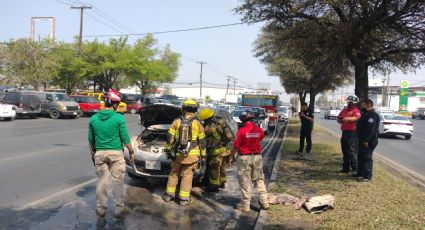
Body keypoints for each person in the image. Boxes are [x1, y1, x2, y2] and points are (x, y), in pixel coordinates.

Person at [88, 89, 135, 218]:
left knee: (102, 181)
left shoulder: (93, 118)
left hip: (100, 153)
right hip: (115, 153)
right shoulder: (118, 118)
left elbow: (91, 139)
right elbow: (125, 137)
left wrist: (93, 152)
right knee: (118, 181)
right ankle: (119, 209)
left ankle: (101, 209)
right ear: (114, 104)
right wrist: (131, 151)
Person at [162, 99, 206, 206]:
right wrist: (203, 155)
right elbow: (202, 141)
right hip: (192, 156)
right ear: (195, 109)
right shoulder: (197, 123)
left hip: (177, 154)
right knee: (187, 176)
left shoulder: (177, 121)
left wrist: (169, 149)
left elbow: (169, 137)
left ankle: (169, 195)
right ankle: (184, 198)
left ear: (183, 108)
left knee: (173, 174)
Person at [230, 111, 269, 212]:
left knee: (245, 181)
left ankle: (246, 206)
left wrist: (231, 156)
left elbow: (236, 146)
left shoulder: (241, 131)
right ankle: (265, 202)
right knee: (259, 179)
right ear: (252, 119)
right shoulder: (259, 130)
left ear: (243, 120)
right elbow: (260, 138)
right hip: (257, 157)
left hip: (244, 158)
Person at [198, 107, 234, 192]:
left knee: (214, 168)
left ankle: (214, 186)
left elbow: (203, 135)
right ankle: (222, 183)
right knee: (222, 167)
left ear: (206, 118)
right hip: (225, 149)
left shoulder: (210, 127)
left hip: (216, 152)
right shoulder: (220, 121)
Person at [354, 99, 380, 182]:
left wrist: (366, 140)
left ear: (368, 106)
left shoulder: (373, 116)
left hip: (368, 141)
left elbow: (371, 130)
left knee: (366, 158)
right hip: (361, 139)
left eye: (363, 106)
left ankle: (367, 176)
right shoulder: (365, 114)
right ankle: (360, 173)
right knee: (360, 157)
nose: (361, 107)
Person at [337, 95, 361, 173]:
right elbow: (339, 118)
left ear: (355, 103)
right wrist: (340, 120)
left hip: (352, 133)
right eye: (348, 102)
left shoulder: (356, 111)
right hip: (344, 133)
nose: (349, 103)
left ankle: (355, 169)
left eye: (351, 102)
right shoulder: (344, 110)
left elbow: (356, 118)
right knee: (344, 151)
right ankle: (345, 168)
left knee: (351, 151)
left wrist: (346, 119)